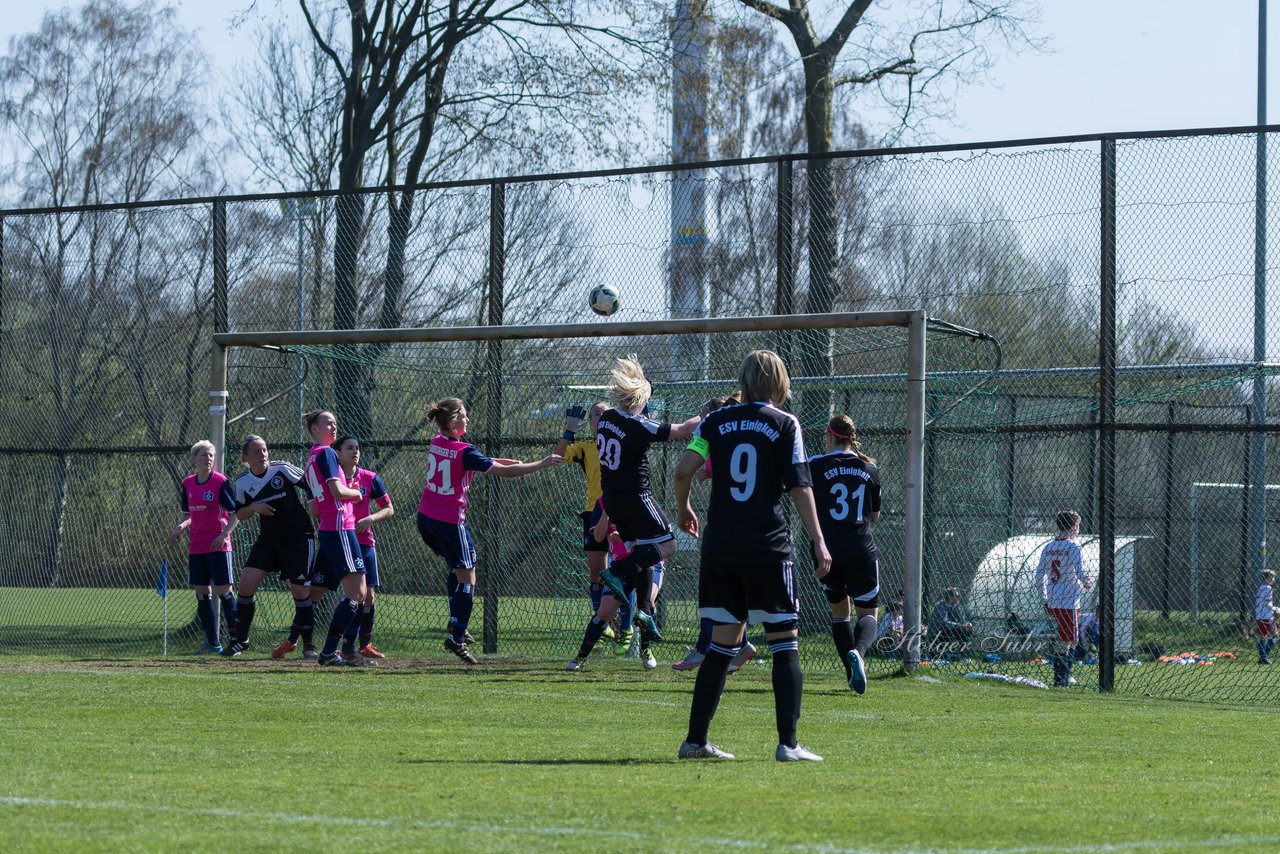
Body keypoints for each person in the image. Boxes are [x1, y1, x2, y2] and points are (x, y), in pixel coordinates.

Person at [674, 349, 832, 762]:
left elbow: (682, 469)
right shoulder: (785, 423)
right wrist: (818, 537)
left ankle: (694, 742)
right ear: (780, 383)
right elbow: (800, 486)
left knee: (721, 645)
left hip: (721, 544)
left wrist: (682, 507)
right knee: (784, 642)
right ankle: (789, 744)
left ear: (743, 381)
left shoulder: (715, 420)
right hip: (766, 544)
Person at [417, 397, 563, 663]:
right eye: (463, 416)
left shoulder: (437, 442)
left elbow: (471, 459)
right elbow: (500, 472)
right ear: (452, 421)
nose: (467, 420)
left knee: (458, 568)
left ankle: (456, 621)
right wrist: (540, 464)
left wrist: (502, 460)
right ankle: (457, 635)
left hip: (426, 519)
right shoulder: (465, 451)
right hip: (450, 522)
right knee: (468, 578)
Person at [594, 355, 701, 645]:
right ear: (640, 397)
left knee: (640, 553)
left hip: (612, 501)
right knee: (667, 545)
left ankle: (644, 612)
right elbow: (683, 431)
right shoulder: (640, 425)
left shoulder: (607, 419)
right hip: (635, 498)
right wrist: (708, 416)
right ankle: (615, 572)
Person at [673, 393, 760, 675]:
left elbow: (683, 471)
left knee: (715, 589)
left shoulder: (716, 428)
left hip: (727, 525)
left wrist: (683, 507)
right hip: (756, 526)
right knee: (733, 590)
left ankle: (704, 647)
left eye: (703, 416)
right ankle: (742, 643)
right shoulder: (755, 429)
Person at [808, 414, 882, 694]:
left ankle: (851, 673)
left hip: (826, 550)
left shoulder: (815, 465)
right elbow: (873, 516)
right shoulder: (869, 468)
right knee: (868, 614)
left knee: (840, 614)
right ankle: (859, 655)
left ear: (829, 436)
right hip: (861, 549)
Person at [224, 435, 315, 658]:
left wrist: (319, 512)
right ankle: (241, 640)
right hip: (269, 540)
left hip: (298, 537)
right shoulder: (243, 482)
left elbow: (310, 485)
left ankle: (309, 647)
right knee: (246, 584)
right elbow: (240, 514)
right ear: (246, 457)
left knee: (300, 591)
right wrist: (253, 506)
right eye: (256, 451)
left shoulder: (282, 469)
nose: (262, 454)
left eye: (264, 449)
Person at [556, 401, 634, 651]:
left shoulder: (623, 441)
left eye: (605, 412)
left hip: (623, 509)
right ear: (590, 422)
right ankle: (602, 622)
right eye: (596, 414)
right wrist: (568, 432)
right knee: (598, 573)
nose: (600, 417)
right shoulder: (586, 447)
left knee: (626, 571)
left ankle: (628, 627)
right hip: (595, 512)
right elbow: (558, 457)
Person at [303, 408, 371, 666]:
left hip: (336, 527)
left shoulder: (311, 457)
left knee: (361, 592)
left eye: (335, 422)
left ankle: (340, 651)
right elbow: (337, 491)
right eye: (328, 423)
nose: (334, 427)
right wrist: (356, 493)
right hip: (340, 527)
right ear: (315, 429)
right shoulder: (327, 453)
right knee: (355, 594)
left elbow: (314, 508)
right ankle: (331, 652)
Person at [565, 504, 665, 670]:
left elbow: (655, 533)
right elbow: (598, 537)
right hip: (620, 565)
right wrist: (607, 510)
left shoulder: (642, 499)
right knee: (604, 612)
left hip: (648, 562)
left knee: (648, 603)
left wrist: (627, 536)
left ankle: (645, 649)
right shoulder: (602, 502)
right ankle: (580, 657)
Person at [168, 440, 239, 655]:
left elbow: (235, 514)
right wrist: (180, 526)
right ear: (194, 459)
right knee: (202, 594)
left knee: (225, 592)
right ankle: (212, 643)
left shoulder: (220, 482)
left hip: (218, 545)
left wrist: (224, 534)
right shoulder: (188, 483)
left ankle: (236, 641)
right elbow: (188, 514)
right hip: (197, 547)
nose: (208, 459)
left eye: (211, 455)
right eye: (204, 455)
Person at [335, 436, 394, 661]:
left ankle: (361, 644)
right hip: (341, 541)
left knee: (368, 596)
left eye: (357, 448)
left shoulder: (369, 478)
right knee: (351, 595)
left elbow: (388, 508)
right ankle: (325, 644)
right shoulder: (334, 479)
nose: (355, 451)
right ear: (338, 453)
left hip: (365, 543)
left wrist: (371, 518)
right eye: (349, 448)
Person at [1033, 509, 1093, 687]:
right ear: (1074, 527)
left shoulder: (1048, 547)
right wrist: (1087, 581)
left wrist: (1044, 599)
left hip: (1053, 600)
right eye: (1079, 526)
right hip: (1068, 601)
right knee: (1066, 641)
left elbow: (1039, 575)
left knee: (1070, 639)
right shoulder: (1073, 547)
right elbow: (1080, 571)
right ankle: (1061, 679)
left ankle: (1065, 675)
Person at [930, 587, 975, 653]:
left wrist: (968, 624)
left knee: (968, 630)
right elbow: (944, 624)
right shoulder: (941, 606)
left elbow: (962, 620)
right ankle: (939, 650)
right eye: (957, 596)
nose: (959, 598)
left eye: (959, 596)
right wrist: (961, 625)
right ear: (950, 598)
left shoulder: (956, 606)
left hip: (949, 630)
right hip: (937, 633)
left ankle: (959, 652)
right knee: (947, 631)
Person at [1255, 569, 1279, 665]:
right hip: (1267, 616)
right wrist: (1277, 609)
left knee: (1263, 636)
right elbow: (1268, 604)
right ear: (1266, 578)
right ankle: (1264, 656)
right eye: (1271, 577)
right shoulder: (1268, 588)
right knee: (1275, 635)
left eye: (1273, 577)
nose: (1273, 579)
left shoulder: (1260, 588)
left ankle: (1262, 657)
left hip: (1259, 615)